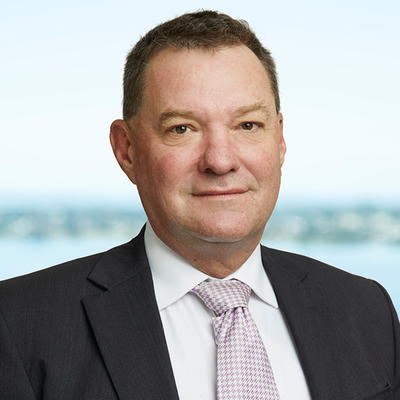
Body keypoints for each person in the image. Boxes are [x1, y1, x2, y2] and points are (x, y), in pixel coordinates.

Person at [0, 10, 399, 400]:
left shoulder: (367, 310)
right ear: (127, 150)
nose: (220, 161)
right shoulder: (18, 324)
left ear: (279, 141)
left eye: (247, 125)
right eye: (182, 128)